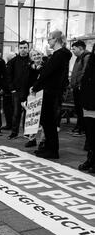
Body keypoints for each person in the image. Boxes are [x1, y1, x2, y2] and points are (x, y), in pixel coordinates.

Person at [31, 30, 72, 159]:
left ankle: (52, 150)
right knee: (47, 121)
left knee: (49, 122)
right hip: (52, 90)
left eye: (49, 39)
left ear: (56, 39)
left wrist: (35, 86)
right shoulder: (59, 55)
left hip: (51, 92)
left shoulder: (59, 55)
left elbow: (47, 73)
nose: (48, 41)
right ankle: (48, 147)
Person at [6, 40, 31, 140]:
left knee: (28, 113)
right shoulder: (13, 61)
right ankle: (14, 132)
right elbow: (9, 76)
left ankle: (28, 132)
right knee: (16, 113)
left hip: (30, 91)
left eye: (25, 48)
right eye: (21, 48)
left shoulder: (31, 60)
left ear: (28, 48)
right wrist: (12, 89)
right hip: (17, 91)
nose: (23, 50)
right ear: (18, 48)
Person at [78, 44, 95, 173]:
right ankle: (91, 159)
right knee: (90, 135)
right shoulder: (91, 62)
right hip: (88, 103)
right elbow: (85, 80)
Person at [70, 40, 91, 137]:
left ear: (80, 48)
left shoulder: (86, 57)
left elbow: (84, 72)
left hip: (81, 88)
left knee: (81, 109)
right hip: (76, 87)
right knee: (78, 109)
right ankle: (79, 126)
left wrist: (79, 84)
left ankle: (82, 128)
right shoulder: (79, 58)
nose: (72, 51)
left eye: (74, 49)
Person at [25, 49, 45, 148]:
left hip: (43, 93)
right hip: (32, 94)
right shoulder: (29, 67)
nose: (36, 56)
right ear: (31, 58)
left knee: (43, 119)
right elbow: (27, 81)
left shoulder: (46, 66)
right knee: (32, 117)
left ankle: (42, 140)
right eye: (34, 55)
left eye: (38, 54)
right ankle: (31, 139)